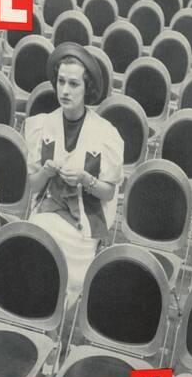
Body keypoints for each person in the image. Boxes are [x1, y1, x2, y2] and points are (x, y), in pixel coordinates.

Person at [24, 42, 124, 299]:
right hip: (47, 212)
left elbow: (109, 193)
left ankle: (51, 316)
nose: (65, 90)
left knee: (60, 264)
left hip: (83, 222)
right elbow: (33, 186)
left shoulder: (105, 134)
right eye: (61, 82)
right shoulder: (43, 125)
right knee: (35, 241)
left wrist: (86, 179)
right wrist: (46, 172)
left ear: (86, 88)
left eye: (74, 84)